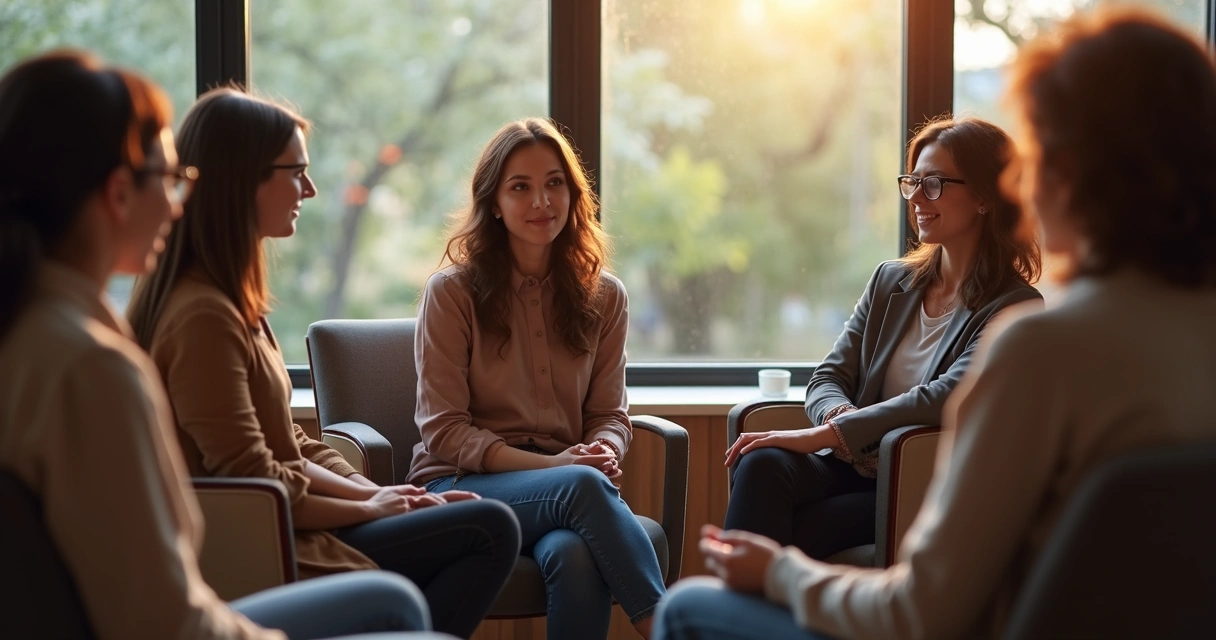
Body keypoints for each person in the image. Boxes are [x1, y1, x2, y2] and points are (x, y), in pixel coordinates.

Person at [655, 8, 1216, 640]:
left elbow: (925, 611)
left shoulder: (1038, 344)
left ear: (1067, 171)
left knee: (686, 607)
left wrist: (782, 576)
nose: (1023, 183)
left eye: (1031, 156)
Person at [0, 50, 452, 640]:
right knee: (404, 612)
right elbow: (163, 621)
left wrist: (373, 496)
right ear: (117, 193)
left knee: (399, 604)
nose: (178, 200)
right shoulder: (92, 369)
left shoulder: (32, 334)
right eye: (170, 178)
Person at [126, 88, 520, 640]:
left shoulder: (235, 306)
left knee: (484, 524)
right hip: (279, 543)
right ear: (244, 179)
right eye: (296, 173)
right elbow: (257, 480)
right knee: (489, 527)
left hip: (305, 522)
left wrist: (378, 495)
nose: (308, 190)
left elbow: (290, 442)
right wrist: (369, 509)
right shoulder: (201, 319)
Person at [723, 115, 1042, 561]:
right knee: (760, 463)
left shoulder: (1015, 306)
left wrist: (829, 434)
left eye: (934, 184)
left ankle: (728, 619)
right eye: (912, 182)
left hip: (921, 477)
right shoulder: (891, 281)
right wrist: (839, 420)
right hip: (853, 465)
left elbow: (943, 397)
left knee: (805, 527)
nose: (915, 197)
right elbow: (829, 376)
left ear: (985, 198)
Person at [409, 117, 666, 639]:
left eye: (554, 183)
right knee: (579, 487)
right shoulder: (451, 294)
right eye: (520, 187)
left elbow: (609, 415)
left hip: (570, 483)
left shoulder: (606, 296)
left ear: (574, 195)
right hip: (460, 485)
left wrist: (603, 449)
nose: (541, 202)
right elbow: (445, 432)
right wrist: (561, 466)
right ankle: (673, 628)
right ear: (493, 203)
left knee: (574, 554)